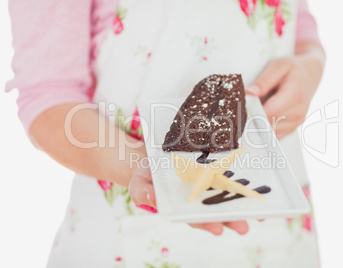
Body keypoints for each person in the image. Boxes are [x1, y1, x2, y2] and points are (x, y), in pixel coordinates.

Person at [7, 0, 325, 267]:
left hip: (279, 228)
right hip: (130, 236)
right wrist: (136, 164)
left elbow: (302, 31)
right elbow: (48, 96)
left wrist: (309, 66)